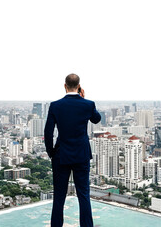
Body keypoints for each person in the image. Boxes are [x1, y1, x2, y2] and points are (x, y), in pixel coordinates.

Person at [44, 73, 101, 227]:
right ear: (79, 86)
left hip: (61, 155)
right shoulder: (88, 104)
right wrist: (84, 98)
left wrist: (51, 153)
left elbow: (48, 132)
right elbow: (97, 119)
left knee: (59, 197)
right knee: (83, 195)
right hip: (81, 155)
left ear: (65, 86)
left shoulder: (55, 105)